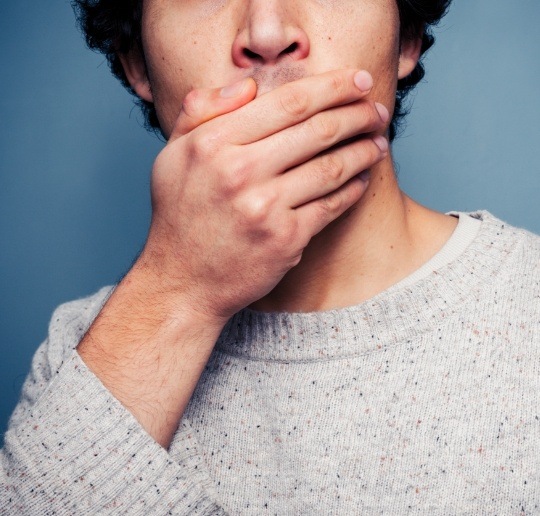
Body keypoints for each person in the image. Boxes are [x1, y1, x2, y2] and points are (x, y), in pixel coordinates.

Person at [1, 0, 539, 513]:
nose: (267, 35)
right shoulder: (83, 361)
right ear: (136, 60)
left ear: (408, 38)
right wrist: (179, 289)